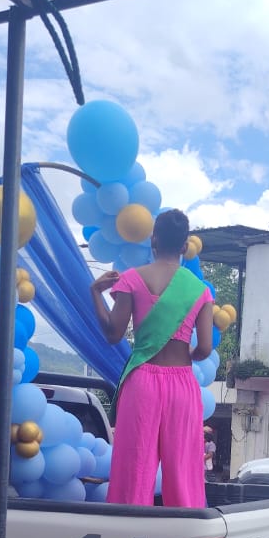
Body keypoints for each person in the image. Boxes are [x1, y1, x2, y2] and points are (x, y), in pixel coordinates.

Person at [90, 209, 214, 508]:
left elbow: (113, 334)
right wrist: (188, 353)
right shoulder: (200, 291)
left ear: (153, 239)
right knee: (183, 470)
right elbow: (205, 348)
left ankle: (128, 529)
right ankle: (186, 530)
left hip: (142, 382)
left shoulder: (132, 279)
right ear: (184, 246)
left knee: (133, 470)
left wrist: (95, 292)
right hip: (182, 386)